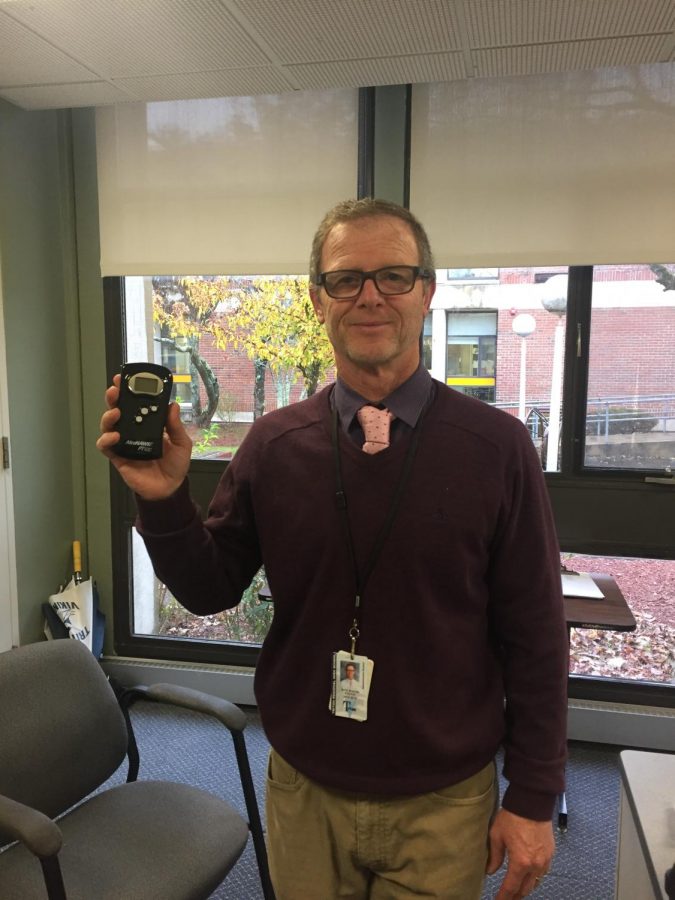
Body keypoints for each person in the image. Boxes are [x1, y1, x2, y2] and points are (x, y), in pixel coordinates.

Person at [98, 198, 569, 900]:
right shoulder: (274, 445)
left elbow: (534, 631)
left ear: (427, 290)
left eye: (394, 276)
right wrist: (163, 498)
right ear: (318, 299)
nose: (370, 295)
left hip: (443, 797)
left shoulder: (495, 448)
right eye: (346, 279)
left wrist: (533, 795)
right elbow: (209, 588)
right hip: (304, 787)